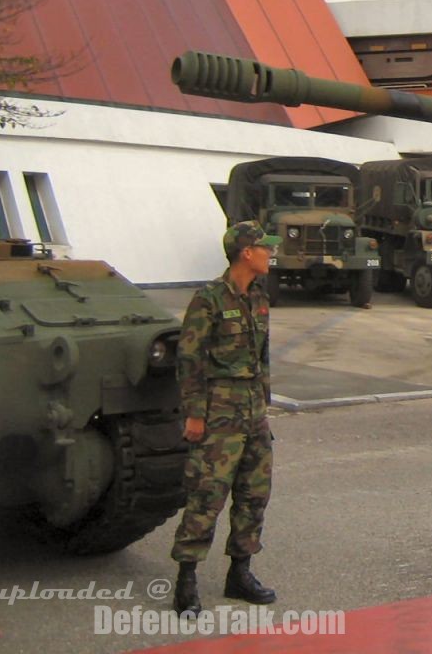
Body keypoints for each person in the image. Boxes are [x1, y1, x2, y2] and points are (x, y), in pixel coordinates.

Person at [171, 221, 281, 615]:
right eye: (265, 248)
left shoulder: (259, 297)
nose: (271, 253)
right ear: (245, 253)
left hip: (253, 412)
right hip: (218, 413)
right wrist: (195, 416)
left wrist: (263, 405)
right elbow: (190, 359)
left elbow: (261, 357)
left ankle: (240, 572)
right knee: (206, 495)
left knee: (254, 493)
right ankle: (186, 579)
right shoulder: (210, 299)